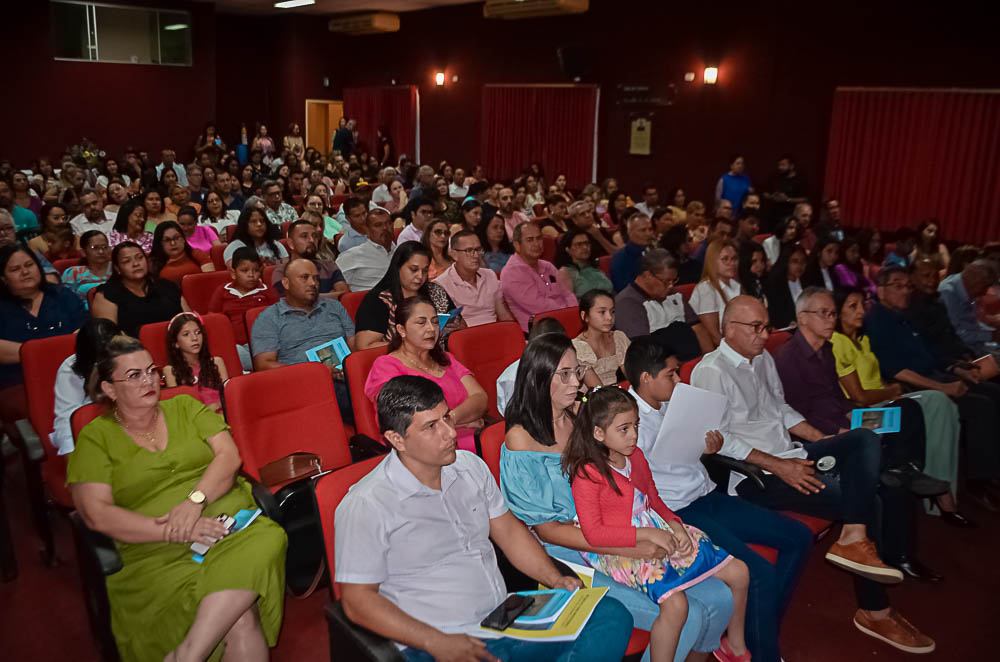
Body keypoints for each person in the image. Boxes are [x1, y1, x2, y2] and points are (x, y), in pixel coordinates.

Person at [691, 295, 935, 654]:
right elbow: (716, 439)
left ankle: (853, 536)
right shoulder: (710, 371)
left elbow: (781, 410)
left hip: (791, 454)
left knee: (863, 439)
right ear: (729, 329)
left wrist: (824, 442)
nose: (763, 335)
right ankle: (874, 610)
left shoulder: (763, 360)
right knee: (873, 500)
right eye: (754, 327)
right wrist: (779, 465)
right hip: (756, 477)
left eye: (766, 326)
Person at [336, 373, 634, 660]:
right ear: (396, 439)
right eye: (431, 427)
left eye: (447, 417)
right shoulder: (367, 504)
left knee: (610, 616)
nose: (450, 433)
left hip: (504, 619)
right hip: (436, 641)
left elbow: (509, 532)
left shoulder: (468, 467)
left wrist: (554, 578)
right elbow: (357, 601)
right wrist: (435, 641)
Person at [499, 333, 733, 662]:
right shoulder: (521, 440)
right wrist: (632, 543)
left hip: (618, 528)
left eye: (576, 371)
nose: (575, 382)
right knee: (689, 613)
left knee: (721, 596)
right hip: (571, 551)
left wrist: (666, 524)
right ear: (538, 378)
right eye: (563, 374)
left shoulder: (579, 418)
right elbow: (547, 530)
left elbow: (630, 478)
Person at [67, 335, 286, 662]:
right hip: (153, 547)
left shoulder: (185, 405)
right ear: (110, 389)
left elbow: (228, 457)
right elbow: (96, 513)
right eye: (134, 375)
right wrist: (173, 530)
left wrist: (194, 501)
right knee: (241, 619)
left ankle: (187, 655)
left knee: (269, 538)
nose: (149, 381)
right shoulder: (95, 437)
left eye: (151, 371)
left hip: (229, 526)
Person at [625, 338, 812, 662]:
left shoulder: (674, 402)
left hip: (707, 494)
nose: (678, 380)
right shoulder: (625, 421)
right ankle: (761, 650)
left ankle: (759, 625)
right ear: (646, 378)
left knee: (799, 536)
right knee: (758, 573)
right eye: (671, 374)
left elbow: (705, 443)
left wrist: (711, 445)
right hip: (678, 512)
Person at [565, 386, 751, 662]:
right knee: (676, 605)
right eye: (624, 429)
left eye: (636, 426)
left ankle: (735, 646)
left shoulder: (635, 456)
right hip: (615, 547)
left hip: (652, 527)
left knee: (739, 571)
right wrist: (647, 534)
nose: (634, 435)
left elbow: (653, 499)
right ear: (598, 433)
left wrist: (675, 524)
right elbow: (594, 533)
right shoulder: (587, 473)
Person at [773, 287, 948, 579]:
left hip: (847, 419)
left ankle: (905, 467)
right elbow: (797, 415)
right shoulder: (788, 358)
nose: (831, 320)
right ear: (802, 318)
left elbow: (838, 399)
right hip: (822, 435)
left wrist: (859, 416)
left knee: (907, 410)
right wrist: (845, 429)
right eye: (823, 314)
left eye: (832, 313)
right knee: (887, 473)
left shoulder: (826, 351)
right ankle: (900, 554)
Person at [831, 288, 971, 527]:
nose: (861, 311)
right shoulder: (837, 343)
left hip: (885, 403)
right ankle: (942, 497)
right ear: (837, 313)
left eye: (862, 305)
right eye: (852, 306)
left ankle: (940, 488)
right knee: (935, 402)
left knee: (947, 410)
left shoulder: (862, 340)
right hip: (861, 416)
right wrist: (894, 391)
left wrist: (892, 390)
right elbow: (861, 397)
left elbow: (877, 382)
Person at [865, 266, 1000, 510]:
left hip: (934, 375)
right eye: (898, 286)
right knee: (982, 407)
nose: (906, 291)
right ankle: (979, 483)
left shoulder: (903, 316)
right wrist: (943, 387)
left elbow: (930, 355)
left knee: (994, 392)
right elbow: (895, 370)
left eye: (908, 286)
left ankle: (991, 469)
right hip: (911, 387)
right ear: (881, 291)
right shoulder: (878, 321)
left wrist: (956, 370)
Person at [364, 297, 487, 453]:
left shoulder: (446, 359)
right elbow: (411, 422)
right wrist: (459, 420)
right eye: (421, 323)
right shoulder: (386, 366)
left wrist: (452, 419)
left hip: (470, 438)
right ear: (402, 330)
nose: (431, 329)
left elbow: (480, 397)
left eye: (435, 322)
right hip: (424, 451)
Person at [251, 259, 356, 421]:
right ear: (286, 283)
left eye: (315, 278)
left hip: (347, 375)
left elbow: (354, 346)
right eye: (304, 278)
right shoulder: (269, 318)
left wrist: (351, 367)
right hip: (302, 384)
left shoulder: (335, 308)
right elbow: (263, 365)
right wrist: (314, 371)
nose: (313, 283)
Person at [0, 245, 86, 432]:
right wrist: (48, 352)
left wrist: (38, 352)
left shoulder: (62, 296)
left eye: (29, 265)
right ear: (3, 279)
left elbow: (84, 332)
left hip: (71, 372)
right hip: (18, 381)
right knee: (40, 407)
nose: (25, 272)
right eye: (15, 269)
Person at [354, 241, 461, 350]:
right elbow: (364, 347)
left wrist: (457, 328)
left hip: (440, 357)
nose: (420, 276)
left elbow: (461, 324)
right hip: (399, 362)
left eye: (424, 271)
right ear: (398, 267)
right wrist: (410, 343)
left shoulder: (436, 291)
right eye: (414, 270)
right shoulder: (378, 300)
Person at [614, 250, 711, 361]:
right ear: (647, 275)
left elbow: (698, 329)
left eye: (674, 280)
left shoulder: (675, 294)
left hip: (695, 360)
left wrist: (709, 359)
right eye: (666, 281)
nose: (670, 286)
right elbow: (645, 350)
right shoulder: (627, 303)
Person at [52, 318, 121, 455]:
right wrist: (76, 464)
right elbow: (67, 421)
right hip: (93, 432)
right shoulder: (71, 368)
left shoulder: (131, 356)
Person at [92, 242, 188, 337]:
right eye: (127, 261)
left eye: (140, 258)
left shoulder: (167, 286)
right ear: (117, 268)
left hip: (176, 346)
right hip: (133, 349)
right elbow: (109, 337)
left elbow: (189, 319)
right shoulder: (107, 294)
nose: (136, 264)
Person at [500, 223, 577, 332]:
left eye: (539, 238)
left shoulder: (547, 266)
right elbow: (541, 308)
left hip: (565, 321)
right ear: (517, 245)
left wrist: (573, 312)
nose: (536, 244)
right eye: (530, 240)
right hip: (539, 332)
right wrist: (569, 313)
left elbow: (567, 293)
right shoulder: (511, 273)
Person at [433, 230, 514, 326]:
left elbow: (504, 315)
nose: (476, 255)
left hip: (493, 333)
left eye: (478, 249)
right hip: (466, 337)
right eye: (469, 251)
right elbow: (446, 328)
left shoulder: (489, 275)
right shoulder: (441, 285)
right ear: (454, 255)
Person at [163, 312, 228, 411]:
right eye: (186, 334)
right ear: (176, 343)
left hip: (223, 415)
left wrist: (215, 406)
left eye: (198, 332)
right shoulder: (171, 370)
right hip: (194, 420)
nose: (194, 338)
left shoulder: (217, 362)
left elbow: (228, 396)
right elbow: (179, 407)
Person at [938, 259, 1000, 359]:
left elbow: (972, 325)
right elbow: (956, 335)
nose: (984, 292)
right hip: (963, 354)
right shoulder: (948, 293)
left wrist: (993, 332)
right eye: (985, 286)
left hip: (978, 347)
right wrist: (991, 335)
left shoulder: (965, 288)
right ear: (973, 278)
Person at [271, 220, 347, 299]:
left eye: (314, 236)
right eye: (304, 236)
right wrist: (332, 295)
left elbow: (344, 296)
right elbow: (293, 302)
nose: (311, 240)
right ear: (291, 243)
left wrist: (310, 297)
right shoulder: (282, 271)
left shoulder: (329, 266)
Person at [572, 290, 630, 387]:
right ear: (584, 316)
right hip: (592, 398)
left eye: (612, 311)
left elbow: (634, 378)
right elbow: (598, 391)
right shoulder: (577, 347)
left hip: (617, 395)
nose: (609, 317)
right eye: (602, 312)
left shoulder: (619, 337)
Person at [690, 239, 741, 347]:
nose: (731, 263)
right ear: (713, 261)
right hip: (720, 348)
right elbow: (714, 335)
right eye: (725, 259)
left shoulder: (736, 285)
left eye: (734, 258)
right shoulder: (706, 289)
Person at [337, 208, 397, 291]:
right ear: (367, 231)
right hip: (370, 299)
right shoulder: (353, 255)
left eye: (388, 223)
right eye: (378, 225)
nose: (385, 228)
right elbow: (333, 280)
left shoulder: (402, 253)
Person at [553, 228, 614, 298]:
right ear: (568, 249)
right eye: (579, 244)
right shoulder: (565, 272)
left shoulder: (595, 266)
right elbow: (567, 303)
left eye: (587, 243)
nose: (585, 247)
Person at [149, 221, 214, 285]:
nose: (173, 243)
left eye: (177, 238)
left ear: (183, 239)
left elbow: (211, 277)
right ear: (160, 243)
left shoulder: (195, 253)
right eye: (167, 240)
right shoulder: (153, 263)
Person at [223, 205, 288, 267]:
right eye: (254, 221)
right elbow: (234, 271)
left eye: (262, 221)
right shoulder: (234, 247)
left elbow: (287, 268)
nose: (259, 224)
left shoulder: (276, 245)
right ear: (244, 225)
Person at [62, 229, 112, 303]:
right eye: (94, 248)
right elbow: (65, 301)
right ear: (83, 252)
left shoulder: (118, 269)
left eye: (104, 247)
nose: (101, 251)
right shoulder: (73, 273)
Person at [764, 245, 807, 329]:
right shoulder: (775, 286)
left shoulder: (807, 283)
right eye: (795, 261)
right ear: (786, 262)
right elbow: (776, 316)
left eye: (803, 261)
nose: (799, 265)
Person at [610, 213, 654, 293]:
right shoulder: (620, 258)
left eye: (650, 229)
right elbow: (622, 288)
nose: (648, 234)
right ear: (629, 232)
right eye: (643, 230)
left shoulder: (654, 251)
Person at [762, 155, 807, 232]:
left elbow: (805, 199)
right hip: (772, 216)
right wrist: (771, 197)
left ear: (791, 166)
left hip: (789, 217)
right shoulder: (774, 177)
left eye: (783, 165)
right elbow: (764, 192)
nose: (780, 167)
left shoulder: (800, 180)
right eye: (779, 165)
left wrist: (787, 199)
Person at [833, 236, 877, 300]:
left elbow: (873, 286)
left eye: (857, 251)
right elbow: (852, 289)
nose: (857, 255)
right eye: (853, 251)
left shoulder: (856, 268)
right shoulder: (840, 268)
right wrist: (866, 291)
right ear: (844, 251)